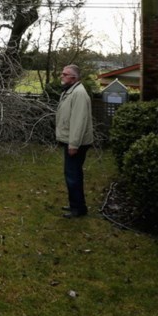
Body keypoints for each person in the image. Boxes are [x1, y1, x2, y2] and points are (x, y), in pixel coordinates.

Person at [56, 64, 94, 218]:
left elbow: (79, 121)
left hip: (76, 143)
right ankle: (75, 205)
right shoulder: (70, 91)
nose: (62, 76)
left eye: (65, 74)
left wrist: (73, 144)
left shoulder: (78, 93)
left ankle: (78, 209)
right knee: (72, 174)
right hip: (72, 141)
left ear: (73, 78)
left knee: (73, 175)